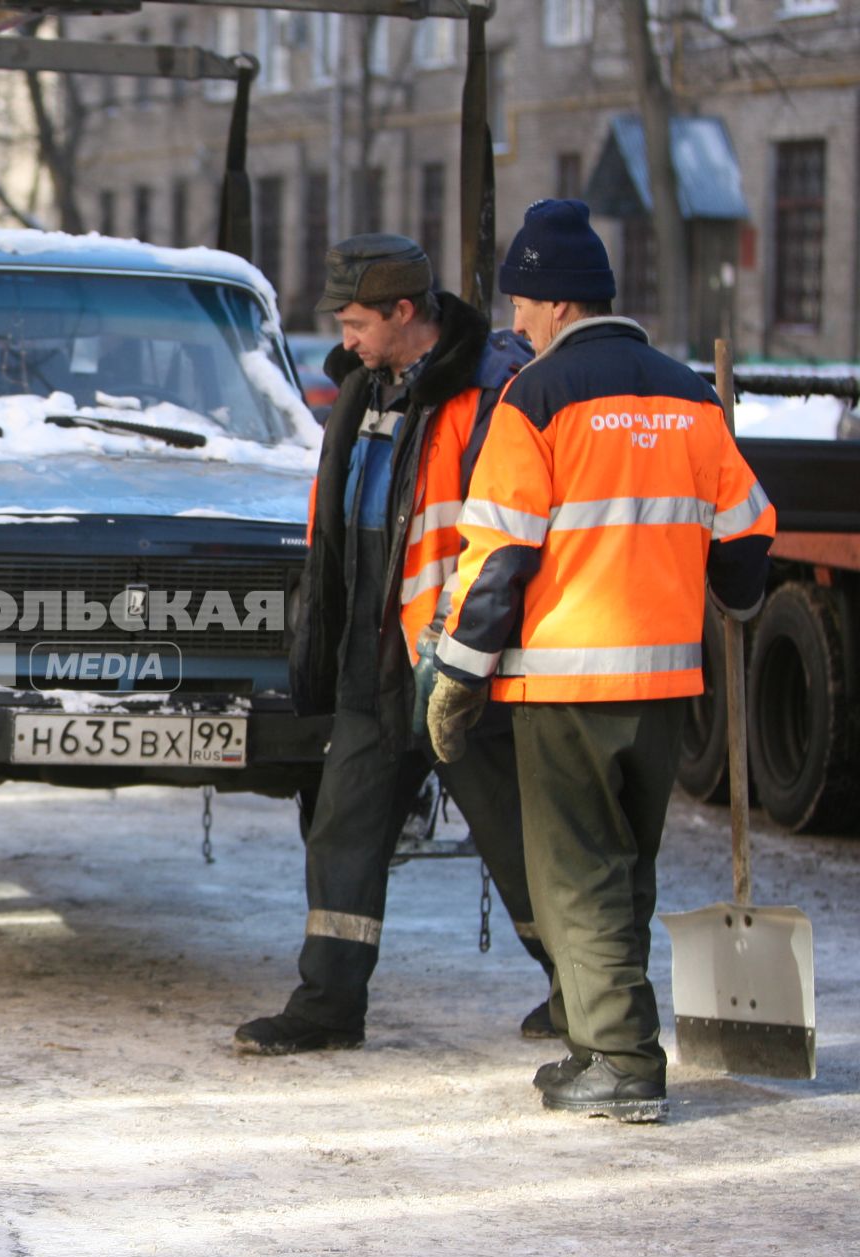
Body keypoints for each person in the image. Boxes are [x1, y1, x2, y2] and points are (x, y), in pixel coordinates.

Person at [427, 199, 775, 1121]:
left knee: (576, 873)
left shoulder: (534, 400)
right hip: (663, 685)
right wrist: (736, 597)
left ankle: (623, 1061)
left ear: (558, 304)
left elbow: (499, 555)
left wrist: (459, 672)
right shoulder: (691, 397)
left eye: (521, 305)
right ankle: (597, 1043)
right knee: (623, 866)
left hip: (569, 682)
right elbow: (746, 534)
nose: (513, 323)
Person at [234, 233, 555, 1056]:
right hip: (374, 656)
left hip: (458, 659)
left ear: (403, 313)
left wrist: (465, 653)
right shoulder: (363, 388)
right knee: (343, 826)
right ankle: (327, 1007)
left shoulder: (493, 394)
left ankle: (583, 994)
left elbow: (504, 536)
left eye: (355, 321)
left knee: (514, 837)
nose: (345, 339)